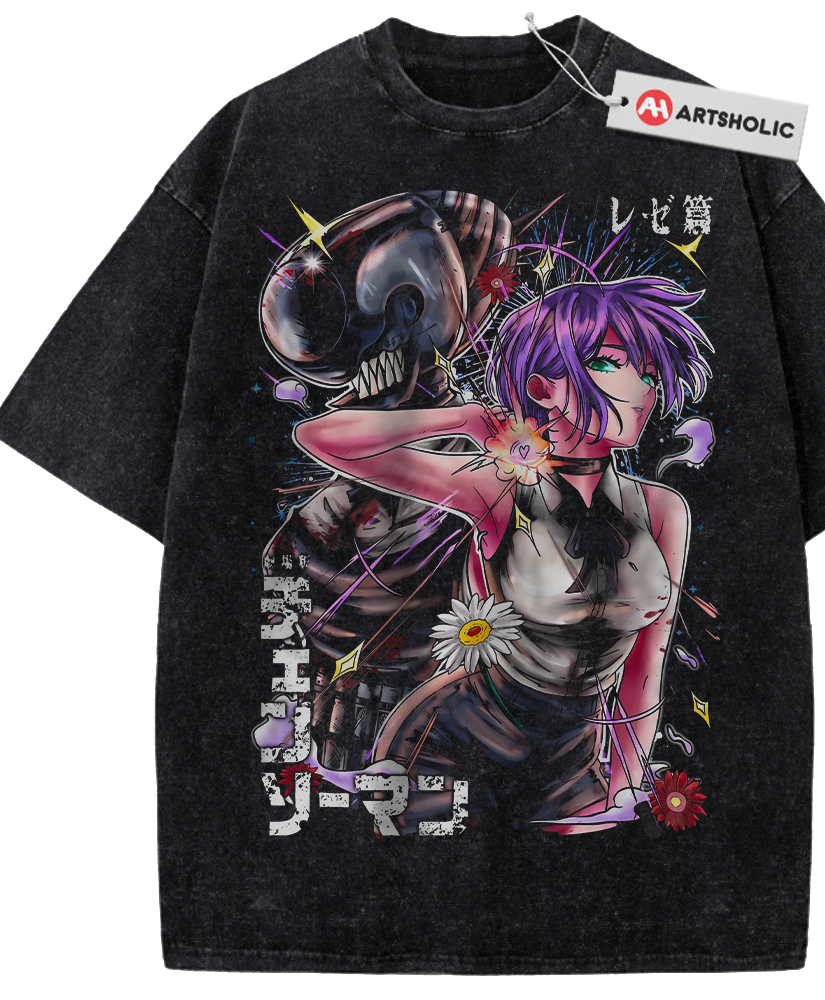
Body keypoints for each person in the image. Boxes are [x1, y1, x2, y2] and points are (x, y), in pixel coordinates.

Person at [293, 275, 713, 832]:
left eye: (652, 373)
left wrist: (625, 785)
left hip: (573, 760)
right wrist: (457, 419)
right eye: (614, 364)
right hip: (451, 744)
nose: (646, 389)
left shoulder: (663, 510)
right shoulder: (496, 485)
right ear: (542, 387)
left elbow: (645, 667)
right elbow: (321, 438)